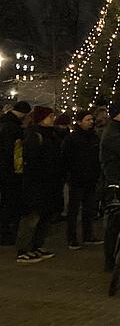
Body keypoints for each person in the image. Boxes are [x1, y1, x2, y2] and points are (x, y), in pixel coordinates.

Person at [15, 107, 62, 263]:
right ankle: (23, 249)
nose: (52, 118)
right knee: (32, 216)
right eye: (50, 116)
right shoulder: (34, 135)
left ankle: (36, 245)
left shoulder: (51, 134)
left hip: (49, 182)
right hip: (36, 182)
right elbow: (32, 159)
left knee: (44, 215)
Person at [62, 111, 103, 249]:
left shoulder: (94, 137)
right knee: (74, 210)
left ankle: (88, 235)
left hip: (90, 178)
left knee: (88, 209)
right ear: (79, 122)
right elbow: (66, 158)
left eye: (92, 119)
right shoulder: (72, 138)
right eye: (87, 119)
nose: (91, 122)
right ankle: (72, 238)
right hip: (77, 178)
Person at [99, 102, 120, 270]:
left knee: (118, 222)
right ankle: (111, 260)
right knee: (114, 223)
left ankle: (119, 256)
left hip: (118, 179)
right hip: (114, 181)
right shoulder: (113, 133)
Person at [0, 101, 31, 246]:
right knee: (9, 203)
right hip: (10, 171)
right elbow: (12, 152)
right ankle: (5, 233)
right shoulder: (12, 128)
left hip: (7, 170)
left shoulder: (6, 123)